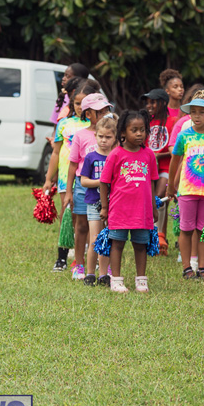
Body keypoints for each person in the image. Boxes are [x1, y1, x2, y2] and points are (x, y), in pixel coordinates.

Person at [166, 90, 204, 281]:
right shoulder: (184, 135)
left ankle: (202, 267)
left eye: (201, 112)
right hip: (187, 190)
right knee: (186, 229)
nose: (197, 116)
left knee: (203, 230)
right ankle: (187, 268)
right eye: (193, 112)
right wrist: (171, 185)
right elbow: (175, 161)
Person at [100, 110, 158, 293]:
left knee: (141, 245)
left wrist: (154, 207)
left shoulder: (149, 155)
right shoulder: (116, 154)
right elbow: (104, 182)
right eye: (134, 130)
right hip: (119, 210)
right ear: (123, 132)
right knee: (117, 244)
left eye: (142, 129)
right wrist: (104, 207)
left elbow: (152, 182)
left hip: (142, 211)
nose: (139, 134)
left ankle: (141, 280)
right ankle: (116, 280)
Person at [66, 92, 113, 280]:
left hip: (107, 189)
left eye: (105, 111)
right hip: (82, 185)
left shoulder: (112, 135)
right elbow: (72, 164)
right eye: (98, 112)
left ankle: (105, 265)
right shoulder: (80, 135)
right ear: (88, 114)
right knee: (82, 226)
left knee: (106, 227)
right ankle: (79, 264)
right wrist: (68, 191)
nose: (103, 115)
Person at [43, 77, 87, 271]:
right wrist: (48, 178)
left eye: (84, 103)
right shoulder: (64, 124)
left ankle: (84, 253)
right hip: (65, 176)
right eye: (77, 103)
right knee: (67, 214)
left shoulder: (97, 125)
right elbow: (55, 152)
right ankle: (61, 257)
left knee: (84, 216)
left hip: (87, 176)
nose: (80, 107)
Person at [80, 116, 117, 286]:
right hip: (94, 202)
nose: (104, 140)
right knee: (95, 239)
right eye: (101, 136)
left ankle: (103, 275)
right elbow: (83, 181)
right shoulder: (91, 157)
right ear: (95, 136)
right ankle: (89, 274)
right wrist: (101, 182)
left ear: (115, 137)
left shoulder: (116, 157)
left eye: (108, 137)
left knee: (107, 239)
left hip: (112, 204)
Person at [144, 88, 178, 255]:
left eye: (153, 102)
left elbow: (175, 149)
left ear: (163, 103)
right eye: (148, 102)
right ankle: (153, 236)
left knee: (159, 197)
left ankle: (160, 236)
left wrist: (158, 155)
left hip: (165, 166)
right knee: (149, 199)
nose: (149, 105)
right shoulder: (146, 122)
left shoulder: (172, 122)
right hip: (148, 167)